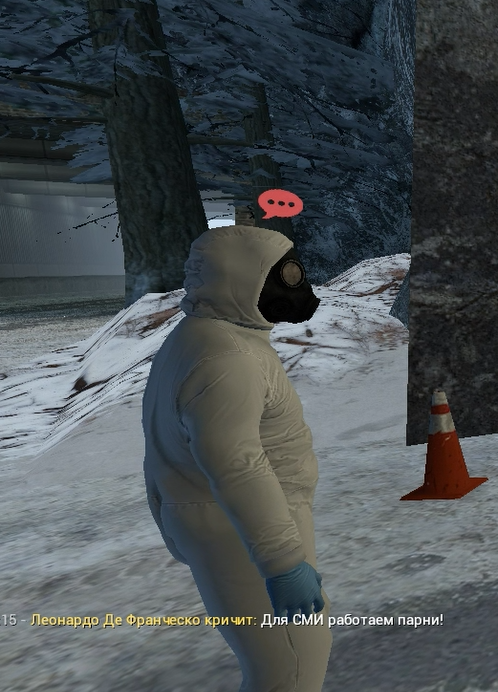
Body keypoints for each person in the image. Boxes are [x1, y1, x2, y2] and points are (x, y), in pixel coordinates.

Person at [142, 224, 330, 691]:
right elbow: (237, 464)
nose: (299, 287)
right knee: (291, 670)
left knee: (280, 669)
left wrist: (171, 516)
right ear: (243, 280)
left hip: (221, 523)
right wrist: (283, 562)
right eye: (284, 276)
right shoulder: (228, 359)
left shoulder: (202, 338)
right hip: (239, 530)